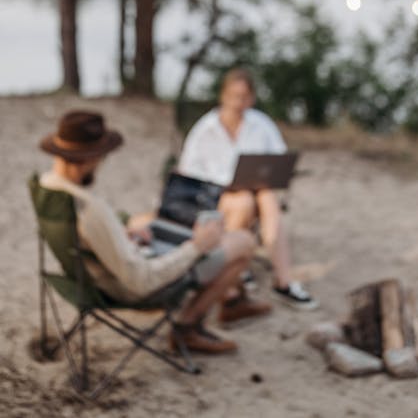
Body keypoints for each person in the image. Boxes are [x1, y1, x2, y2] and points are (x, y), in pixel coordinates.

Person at [38, 110, 270, 354]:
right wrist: (197, 247)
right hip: (134, 289)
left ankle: (233, 298)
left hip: (89, 279)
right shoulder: (90, 209)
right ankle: (188, 327)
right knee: (243, 242)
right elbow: (142, 281)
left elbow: (92, 239)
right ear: (90, 158)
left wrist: (123, 235)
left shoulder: (48, 188)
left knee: (156, 224)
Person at [178, 69, 318, 310]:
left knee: (266, 196)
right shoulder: (205, 129)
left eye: (244, 97)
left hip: (254, 191)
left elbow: (279, 160)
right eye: (234, 96)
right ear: (223, 96)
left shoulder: (260, 124)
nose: (238, 103)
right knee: (243, 200)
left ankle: (283, 280)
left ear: (252, 98)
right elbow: (187, 173)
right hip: (215, 196)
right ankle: (237, 264)